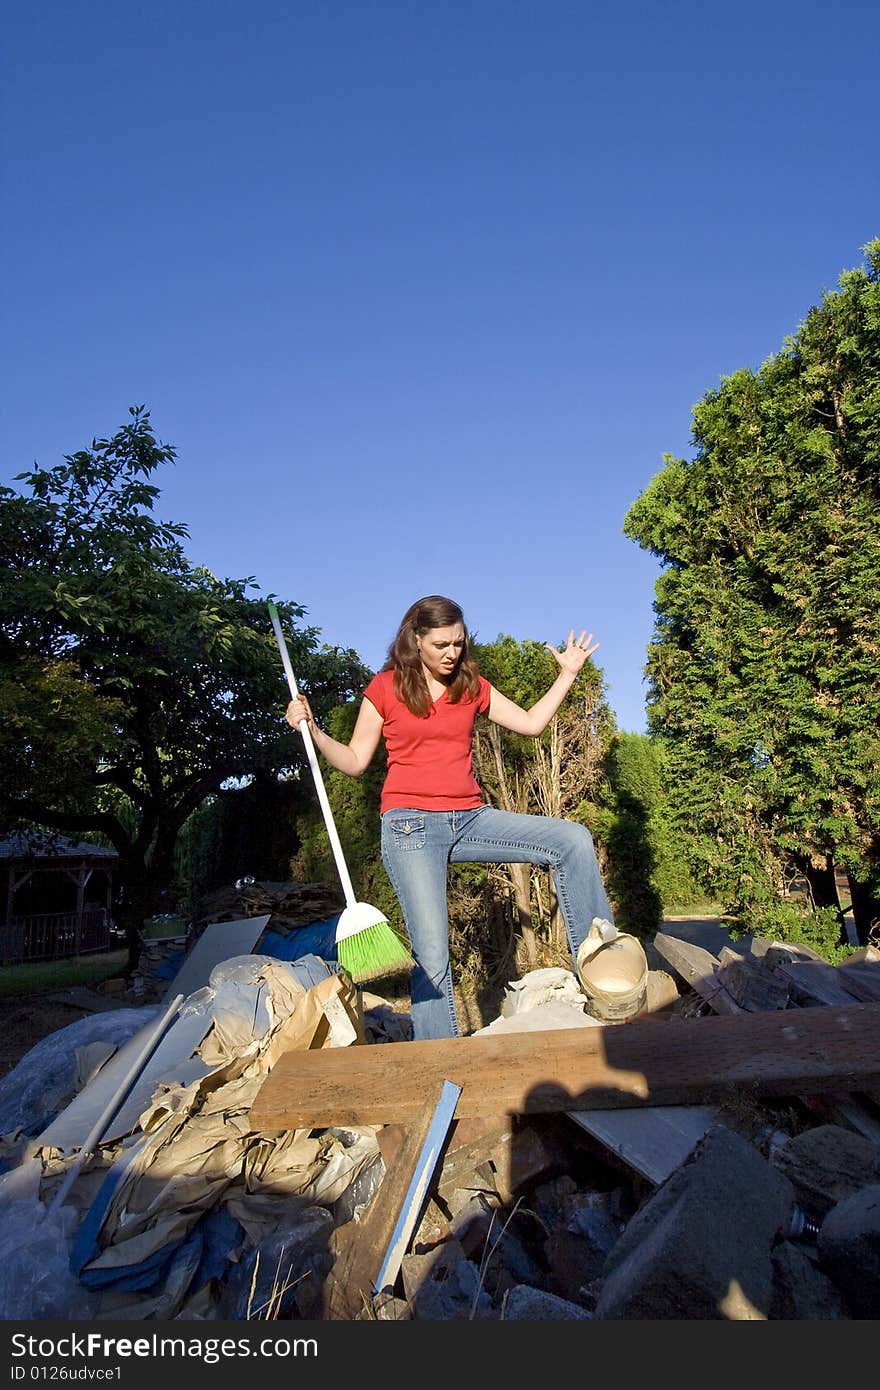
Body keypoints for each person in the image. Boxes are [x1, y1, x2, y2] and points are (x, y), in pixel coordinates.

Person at [285, 595, 615, 1041]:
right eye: (440, 643)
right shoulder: (385, 688)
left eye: (458, 643)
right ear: (415, 640)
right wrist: (315, 730)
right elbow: (355, 760)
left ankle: (607, 974)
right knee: (433, 955)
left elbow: (532, 723)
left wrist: (567, 675)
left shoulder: (471, 685)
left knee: (572, 840)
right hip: (411, 827)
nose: (451, 652)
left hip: (470, 817)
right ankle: (437, 1064)